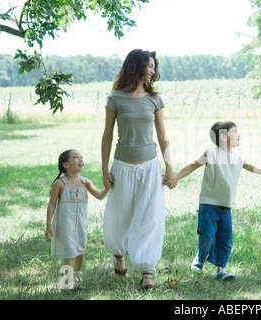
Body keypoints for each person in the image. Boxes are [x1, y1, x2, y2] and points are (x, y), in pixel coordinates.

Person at [101, 49, 176, 290]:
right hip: (122, 166)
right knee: (119, 214)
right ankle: (119, 255)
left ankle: (147, 270)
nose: (153, 71)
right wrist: (105, 169)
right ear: (136, 66)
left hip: (150, 166)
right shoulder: (115, 98)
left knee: (149, 216)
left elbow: (163, 136)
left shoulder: (154, 99)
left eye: (155, 67)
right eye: (150, 66)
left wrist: (170, 168)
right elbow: (107, 135)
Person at [175, 121, 261, 280]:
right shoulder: (211, 153)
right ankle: (199, 260)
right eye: (235, 131)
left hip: (226, 207)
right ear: (223, 136)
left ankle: (220, 270)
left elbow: (258, 170)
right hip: (208, 205)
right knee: (207, 236)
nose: (239, 135)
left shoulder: (239, 158)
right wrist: (174, 178)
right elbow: (191, 166)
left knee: (225, 240)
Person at [45, 149, 109, 289]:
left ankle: (78, 273)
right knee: (69, 250)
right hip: (65, 223)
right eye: (76, 157)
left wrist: (107, 188)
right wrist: (48, 225)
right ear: (66, 165)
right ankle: (67, 282)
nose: (80, 160)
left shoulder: (85, 182)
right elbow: (51, 204)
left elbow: (99, 195)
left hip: (81, 222)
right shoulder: (60, 183)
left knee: (80, 247)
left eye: (81, 157)